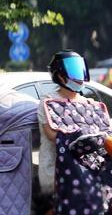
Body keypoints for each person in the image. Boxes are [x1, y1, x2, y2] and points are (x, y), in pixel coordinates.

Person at [37, 50, 91, 197]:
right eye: (73, 70)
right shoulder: (48, 101)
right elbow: (51, 135)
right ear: (59, 75)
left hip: (85, 173)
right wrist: (83, 136)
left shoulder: (90, 103)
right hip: (55, 174)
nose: (79, 77)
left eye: (80, 69)